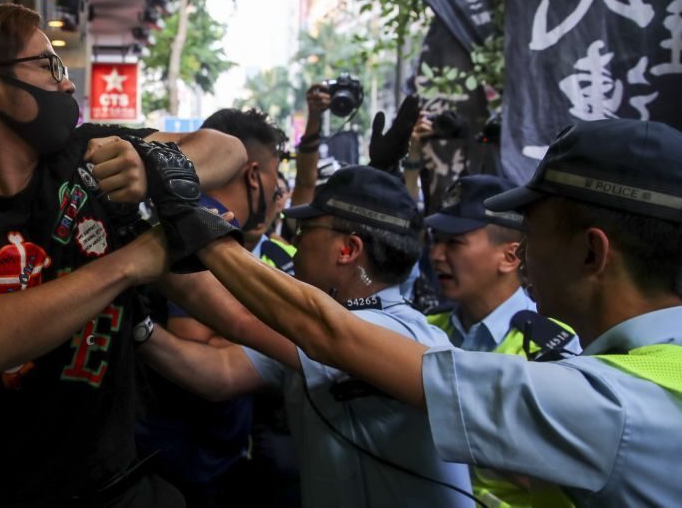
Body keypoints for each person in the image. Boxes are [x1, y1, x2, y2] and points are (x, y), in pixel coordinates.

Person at [186, 119, 682, 507]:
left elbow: (328, 333)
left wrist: (185, 220)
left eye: (533, 235)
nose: (525, 256)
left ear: (592, 253)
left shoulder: (610, 407)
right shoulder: (652, 375)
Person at [0, 3, 247, 507]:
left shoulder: (85, 156)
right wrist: (127, 265)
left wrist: (154, 165)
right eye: (49, 66)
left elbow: (227, 150)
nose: (67, 84)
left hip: (117, 483)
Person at [139, 165, 474, 508]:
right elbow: (219, 373)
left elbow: (236, 318)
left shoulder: (395, 334)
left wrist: (185, 230)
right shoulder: (311, 338)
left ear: (348, 250)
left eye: (306, 229)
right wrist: (140, 328)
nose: (295, 240)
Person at [135, 108, 288, 507]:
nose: (276, 191)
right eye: (274, 174)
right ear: (254, 174)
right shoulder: (199, 227)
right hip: (184, 464)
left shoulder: (202, 221)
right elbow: (195, 335)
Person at [425, 174, 579, 507]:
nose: (436, 254)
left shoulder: (552, 347)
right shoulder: (425, 329)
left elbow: (568, 475)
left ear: (511, 257)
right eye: (436, 239)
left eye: (454, 242)